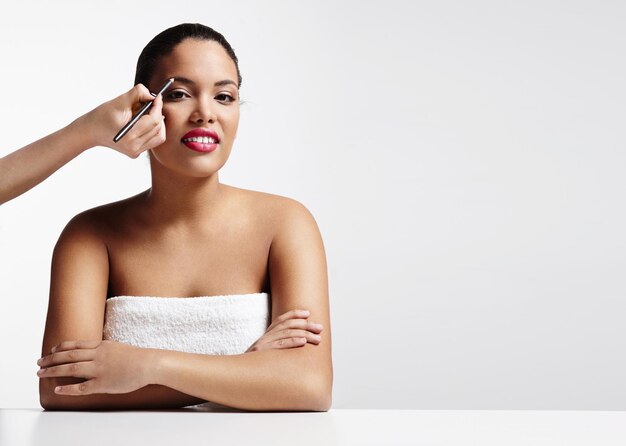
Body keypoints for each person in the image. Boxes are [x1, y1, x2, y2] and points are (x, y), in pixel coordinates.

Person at [36, 23, 333, 412]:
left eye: (224, 96)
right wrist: (250, 371)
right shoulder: (90, 235)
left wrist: (149, 365)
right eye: (179, 94)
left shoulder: (287, 224)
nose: (205, 114)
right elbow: (62, 387)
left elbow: (309, 386)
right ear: (141, 109)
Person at [0, 82, 166, 205]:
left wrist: (90, 128)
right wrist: (90, 128)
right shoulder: (89, 235)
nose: (194, 116)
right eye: (178, 94)